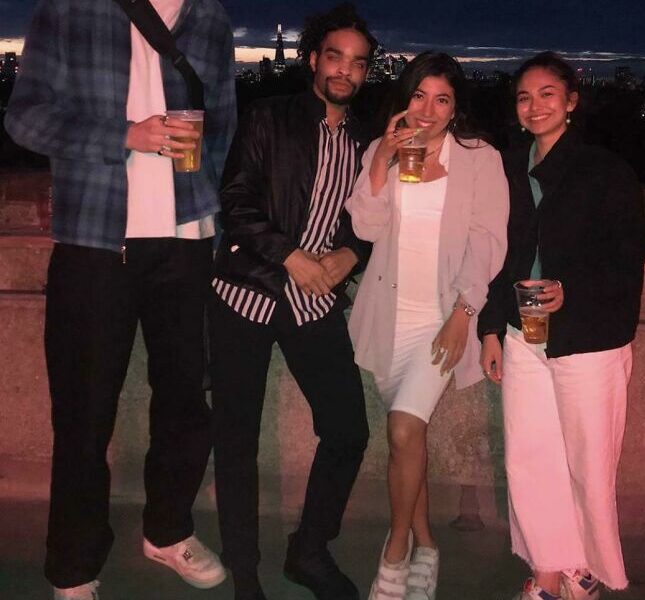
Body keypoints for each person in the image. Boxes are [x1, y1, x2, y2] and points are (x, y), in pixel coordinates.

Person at [4, 1, 237, 598]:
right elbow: (24, 118)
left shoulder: (209, 16)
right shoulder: (68, 8)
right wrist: (125, 136)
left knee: (185, 402)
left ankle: (168, 530)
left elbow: (223, 124)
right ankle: (74, 564)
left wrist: (206, 202)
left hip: (187, 241)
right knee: (82, 412)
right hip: (96, 242)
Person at [208, 4, 376, 600]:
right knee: (236, 440)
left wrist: (350, 253)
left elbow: (375, 219)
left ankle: (309, 550)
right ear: (312, 59)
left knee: (348, 430)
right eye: (335, 56)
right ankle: (245, 573)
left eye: (358, 62)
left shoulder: (367, 143)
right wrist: (291, 255)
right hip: (245, 294)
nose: (345, 70)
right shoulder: (268, 117)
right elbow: (235, 199)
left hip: (314, 303)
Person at [477, 52, 645, 600]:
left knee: (588, 461)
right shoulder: (508, 169)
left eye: (548, 93)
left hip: (588, 340)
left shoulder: (606, 172)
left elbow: (627, 260)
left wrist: (571, 289)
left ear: (572, 101)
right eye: (524, 97)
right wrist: (489, 329)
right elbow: (494, 257)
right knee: (530, 456)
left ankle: (587, 568)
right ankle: (548, 567)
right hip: (522, 335)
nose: (535, 106)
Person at [346, 52, 509, 599]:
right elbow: (366, 229)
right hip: (386, 319)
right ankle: (428, 544)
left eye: (442, 99)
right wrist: (381, 161)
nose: (428, 110)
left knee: (401, 430)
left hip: (440, 322)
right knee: (407, 440)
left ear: (455, 107)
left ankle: (394, 553)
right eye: (419, 95)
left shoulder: (480, 159)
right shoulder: (382, 149)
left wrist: (464, 315)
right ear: (405, 98)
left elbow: (487, 243)